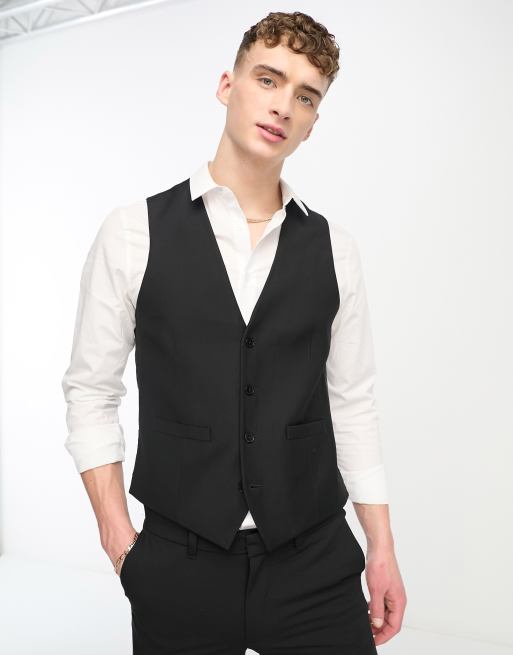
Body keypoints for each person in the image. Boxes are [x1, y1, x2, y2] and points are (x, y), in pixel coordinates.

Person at [61, 10, 406, 654]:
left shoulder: (335, 250)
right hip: (178, 562)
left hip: (314, 562)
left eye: (306, 96)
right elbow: (90, 391)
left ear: (313, 122)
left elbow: (353, 403)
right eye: (268, 79)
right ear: (228, 85)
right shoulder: (133, 232)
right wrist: (119, 539)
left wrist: (381, 546)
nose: (283, 106)